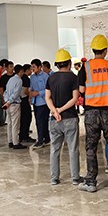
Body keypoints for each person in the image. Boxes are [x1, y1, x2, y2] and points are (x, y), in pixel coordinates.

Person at [77, 34, 108, 193]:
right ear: (105, 51)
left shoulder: (85, 67)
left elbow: (81, 89)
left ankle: (91, 182)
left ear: (93, 50)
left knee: (91, 147)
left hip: (91, 112)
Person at [46, 49, 83, 185]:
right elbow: (75, 98)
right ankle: (75, 178)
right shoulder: (73, 77)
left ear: (57, 64)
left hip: (54, 119)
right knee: (73, 149)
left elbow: (47, 98)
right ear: (69, 63)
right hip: (69, 118)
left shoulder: (51, 78)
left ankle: (54, 178)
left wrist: (55, 112)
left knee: (54, 149)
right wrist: (60, 110)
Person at [3, 64, 26, 149]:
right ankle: (15, 142)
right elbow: (16, 93)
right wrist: (9, 102)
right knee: (15, 124)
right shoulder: (19, 80)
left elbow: (5, 92)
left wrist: (7, 101)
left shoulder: (10, 79)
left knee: (9, 123)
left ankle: (10, 141)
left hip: (8, 104)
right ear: (20, 71)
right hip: (14, 104)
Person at [30, 58, 50, 149]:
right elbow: (31, 88)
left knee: (42, 121)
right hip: (35, 102)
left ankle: (41, 140)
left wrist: (39, 93)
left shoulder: (45, 76)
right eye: (31, 67)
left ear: (39, 67)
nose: (32, 69)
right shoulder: (32, 77)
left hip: (44, 102)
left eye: (34, 67)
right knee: (39, 121)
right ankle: (46, 139)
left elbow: (49, 89)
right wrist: (31, 95)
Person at [19, 64, 35, 144]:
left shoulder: (20, 78)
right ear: (27, 70)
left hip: (19, 100)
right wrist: (31, 94)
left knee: (22, 118)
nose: (31, 71)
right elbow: (25, 91)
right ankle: (25, 136)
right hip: (24, 100)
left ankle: (21, 135)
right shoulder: (26, 79)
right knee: (27, 117)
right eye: (30, 69)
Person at [0, 61, 15, 127]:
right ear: (6, 68)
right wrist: (3, 98)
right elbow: (1, 88)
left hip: (15, 98)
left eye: (13, 66)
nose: (12, 68)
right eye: (10, 67)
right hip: (7, 98)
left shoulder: (15, 76)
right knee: (9, 115)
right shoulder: (3, 78)